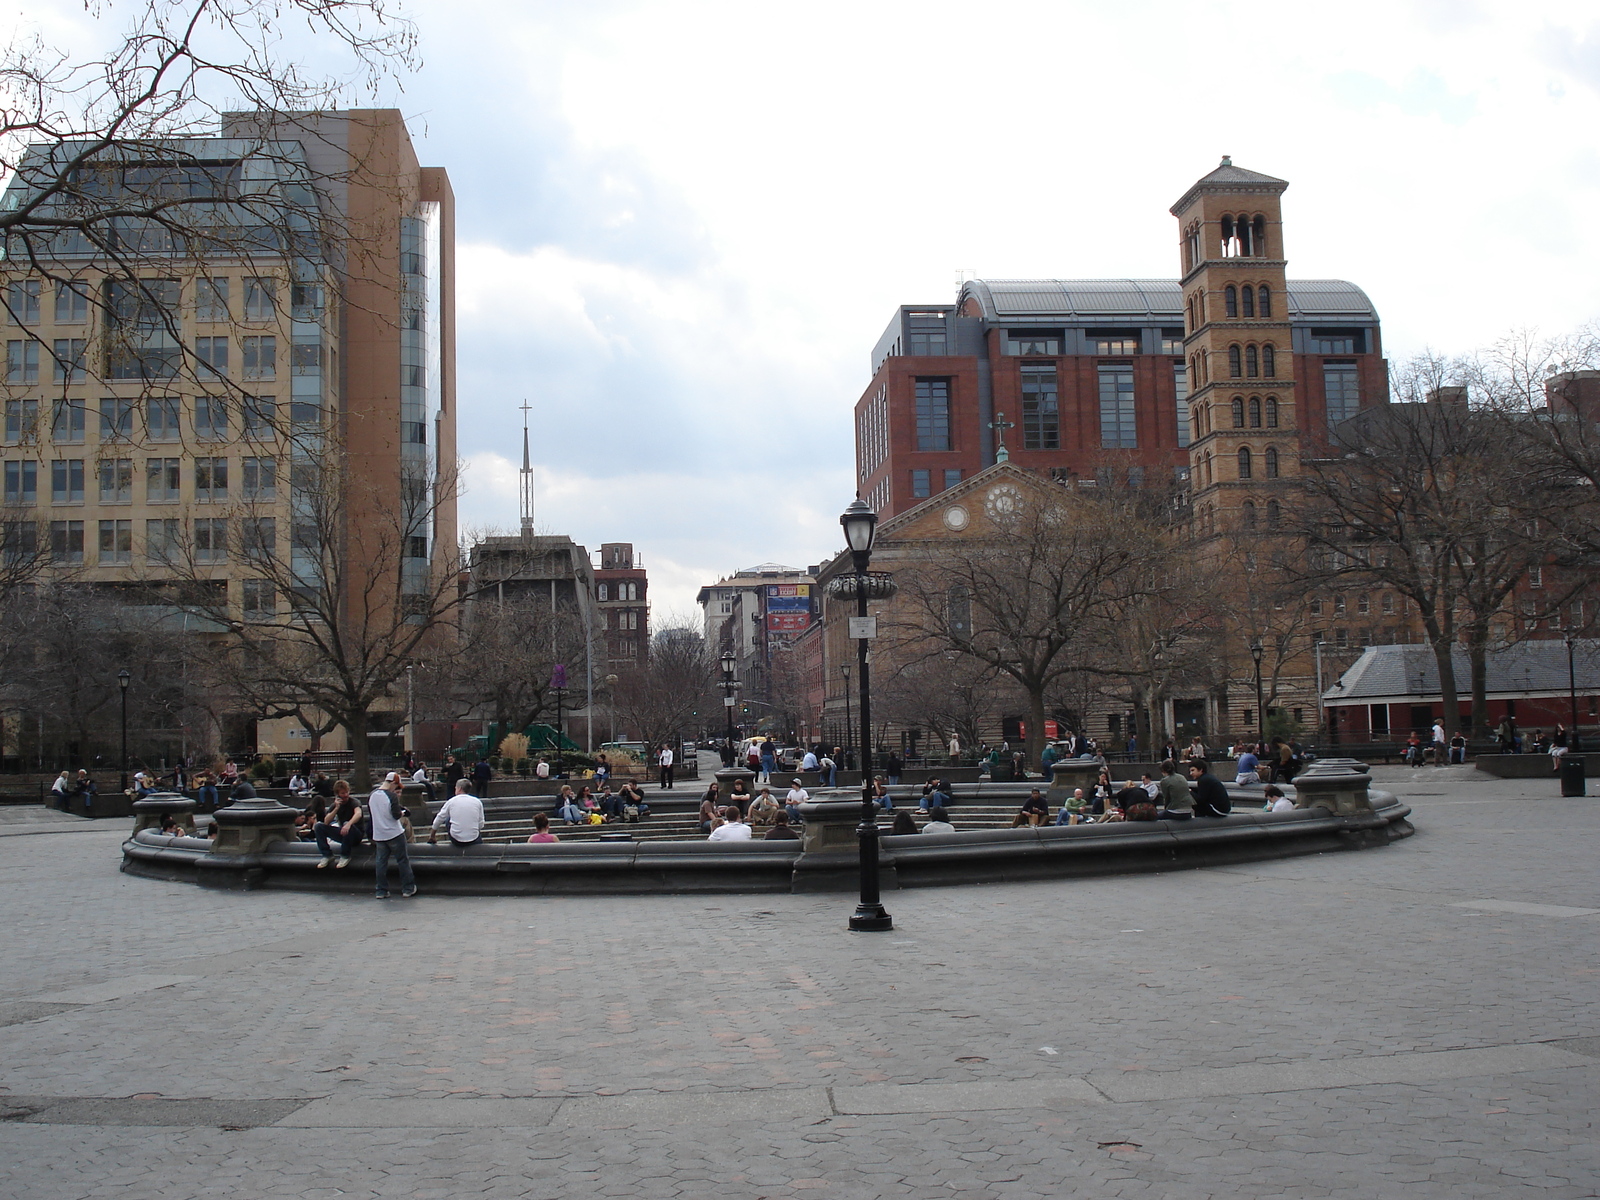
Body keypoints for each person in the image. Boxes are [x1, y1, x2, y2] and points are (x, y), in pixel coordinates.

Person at [368, 771, 417, 899]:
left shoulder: (372, 795)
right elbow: (395, 815)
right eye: (396, 786)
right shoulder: (391, 796)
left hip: (379, 834)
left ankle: (381, 890)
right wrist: (403, 813)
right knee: (402, 860)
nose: (396, 789)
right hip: (394, 833)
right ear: (393, 783)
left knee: (381, 862)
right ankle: (408, 888)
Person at [315, 784, 364, 868]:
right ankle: (327, 855)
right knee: (318, 826)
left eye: (347, 792)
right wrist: (336, 808)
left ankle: (345, 856)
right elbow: (326, 821)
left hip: (356, 834)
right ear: (337, 795)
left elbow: (358, 814)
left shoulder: (354, 802)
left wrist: (349, 824)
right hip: (344, 833)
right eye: (342, 793)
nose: (345, 795)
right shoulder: (334, 805)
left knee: (346, 823)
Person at [430, 779, 485, 848]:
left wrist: (432, 835)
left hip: (456, 839)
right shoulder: (477, 802)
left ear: (459, 788)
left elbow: (439, 818)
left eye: (455, 788)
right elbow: (481, 824)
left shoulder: (452, 801)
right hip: (473, 838)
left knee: (448, 819)